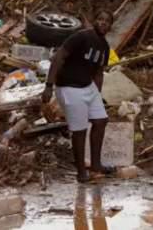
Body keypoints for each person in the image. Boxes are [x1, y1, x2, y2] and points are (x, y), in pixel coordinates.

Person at [42, 10, 115, 182]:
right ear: (95, 20)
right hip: (69, 87)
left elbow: (99, 72)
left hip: (88, 86)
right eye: (100, 19)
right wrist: (48, 86)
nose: (103, 23)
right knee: (79, 130)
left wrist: (98, 93)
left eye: (107, 21)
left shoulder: (104, 46)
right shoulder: (81, 37)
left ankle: (96, 164)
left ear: (111, 26)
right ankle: (82, 172)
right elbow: (58, 57)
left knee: (100, 121)